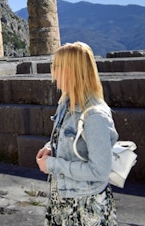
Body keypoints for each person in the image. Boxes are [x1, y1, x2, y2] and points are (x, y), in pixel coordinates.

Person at [36, 41, 118, 226]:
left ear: (71, 71)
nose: (53, 73)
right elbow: (65, 139)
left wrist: (53, 165)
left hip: (85, 206)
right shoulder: (66, 102)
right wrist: (50, 148)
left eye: (57, 67)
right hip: (63, 198)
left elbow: (99, 171)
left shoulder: (95, 116)